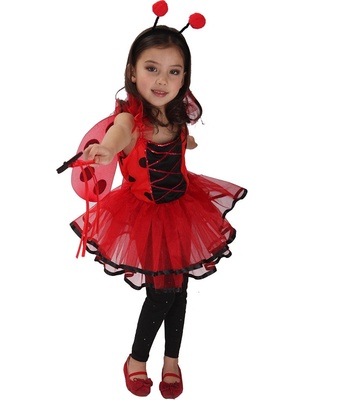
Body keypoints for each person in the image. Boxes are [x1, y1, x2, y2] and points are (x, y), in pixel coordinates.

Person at [67, 2, 247, 398]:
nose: (162, 79)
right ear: (132, 72)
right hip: (146, 216)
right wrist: (106, 150)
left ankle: (171, 360)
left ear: (185, 77)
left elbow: (184, 140)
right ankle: (136, 359)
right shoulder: (128, 119)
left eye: (174, 71)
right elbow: (117, 136)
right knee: (162, 291)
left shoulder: (176, 115)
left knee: (179, 289)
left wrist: (189, 141)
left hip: (184, 208)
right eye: (152, 68)